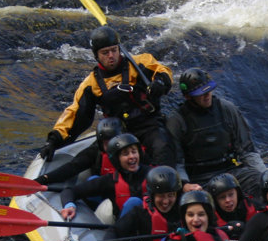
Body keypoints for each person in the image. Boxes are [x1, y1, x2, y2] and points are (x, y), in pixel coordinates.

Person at [38, 25, 175, 168]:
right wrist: (54, 140)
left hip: (150, 126)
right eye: (105, 52)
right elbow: (75, 114)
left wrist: (160, 82)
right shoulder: (91, 84)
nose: (111, 56)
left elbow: (163, 71)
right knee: (84, 160)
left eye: (114, 50)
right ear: (96, 55)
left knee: (162, 148)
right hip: (117, 133)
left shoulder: (140, 63)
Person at [165, 67, 267, 198]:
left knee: (260, 182)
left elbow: (247, 151)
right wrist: (185, 184)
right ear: (188, 96)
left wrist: (265, 175)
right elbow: (176, 162)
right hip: (199, 179)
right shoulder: (176, 120)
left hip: (230, 172)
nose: (207, 95)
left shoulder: (227, 109)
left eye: (209, 90)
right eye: (201, 93)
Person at [96, 165, 183, 241]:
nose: (166, 201)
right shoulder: (140, 212)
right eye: (161, 196)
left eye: (170, 195)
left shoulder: (186, 213)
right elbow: (114, 231)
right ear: (152, 195)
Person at [57, 133, 151, 222]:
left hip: (151, 227)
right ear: (117, 159)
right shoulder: (110, 180)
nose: (132, 156)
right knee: (133, 202)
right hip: (126, 227)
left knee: (134, 202)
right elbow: (70, 192)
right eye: (126, 154)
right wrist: (69, 206)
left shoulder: (153, 175)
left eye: (134, 152)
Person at [35, 117, 122, 186]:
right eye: (107, 144)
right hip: (106, 192)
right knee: (93, 180)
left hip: (124, 194)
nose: (111, 148)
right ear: (101, 144)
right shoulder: (95, 152)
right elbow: (73, 167)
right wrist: (45, 179)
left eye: (114, 143)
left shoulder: (129, 154)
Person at [204, 172, 261, 240]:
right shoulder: (209, 217)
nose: (228, 200)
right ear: (215, 201)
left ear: (238, 193)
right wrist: (223, 230)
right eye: (222, 197)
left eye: (231, 194)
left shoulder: (253, 205)